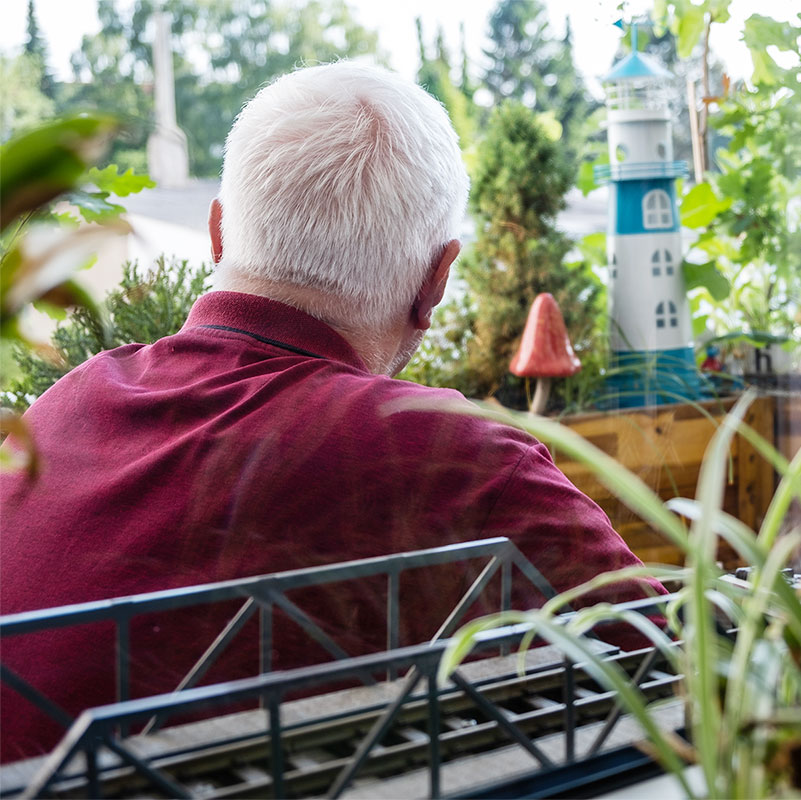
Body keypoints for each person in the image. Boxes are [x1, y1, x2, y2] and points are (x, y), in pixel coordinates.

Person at [0, 62, 664, 762]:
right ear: (435, 281)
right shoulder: (448, 453)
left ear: (218, 232)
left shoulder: (60, 408)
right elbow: (674, 663)